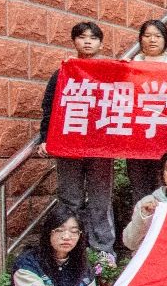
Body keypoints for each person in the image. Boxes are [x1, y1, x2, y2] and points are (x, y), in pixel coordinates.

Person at [36, 21, 115, 259]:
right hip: (69, 145)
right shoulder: (63, 73)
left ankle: (103, 250)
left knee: (101, 199)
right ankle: (71, 248)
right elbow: (50, 107)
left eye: (93, 38)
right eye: (82, 37)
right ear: (74, 41)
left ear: (101, 44)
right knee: (70, 198)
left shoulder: (110, 72)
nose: (87, 42)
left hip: (100, 147)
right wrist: (45, 138)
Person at [125, 20, 167, 206]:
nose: (152, 40)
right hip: (136, 136)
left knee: (163, 186)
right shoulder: (130, 67)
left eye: (157, 36)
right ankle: (140, 223)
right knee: (139, 186)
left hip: (163, 136)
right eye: (147, 36)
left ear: (165, 39)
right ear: (140, 39)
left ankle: (162, 223)